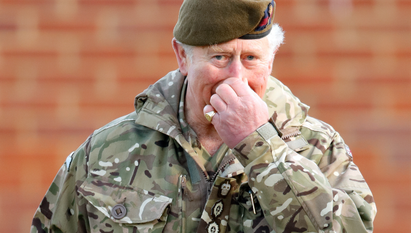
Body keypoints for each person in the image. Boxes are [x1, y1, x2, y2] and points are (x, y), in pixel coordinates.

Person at [31, 0, 376, 232]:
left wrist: (259, 145)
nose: (236, 78)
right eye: (220, 58)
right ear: (182, 57)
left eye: (252, 59)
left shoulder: (317, 147)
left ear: (270, 62)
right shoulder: (106, 151)